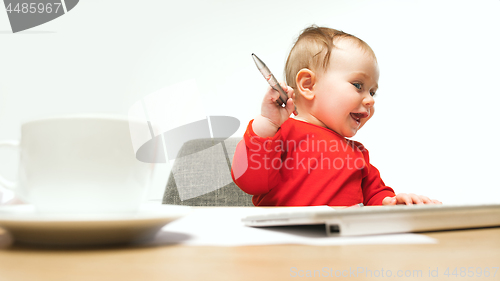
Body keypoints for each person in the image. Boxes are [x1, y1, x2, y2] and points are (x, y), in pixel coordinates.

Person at [231, 25, 441, 206]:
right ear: (308, 85)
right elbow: (250, 182)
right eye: (358, 85)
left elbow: (376, 197)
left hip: (340, 248)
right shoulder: (279, 134)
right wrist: (267, 124)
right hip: (285, 245)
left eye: (372, 91)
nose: (370, 100)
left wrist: (392, 202)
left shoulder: (358, 154)